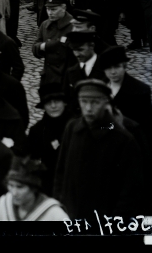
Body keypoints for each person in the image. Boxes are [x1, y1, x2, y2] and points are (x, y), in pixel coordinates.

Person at [53, 79, 144, 220]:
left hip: (102, 221)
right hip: (70, 216)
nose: (88, 108)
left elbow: (130, 190)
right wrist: (59, 205)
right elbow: (61, 171)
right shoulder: (72, 128)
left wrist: (115, 223)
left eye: (95, 102)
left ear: (105, 102)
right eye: (84, 101)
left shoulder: (121, 138)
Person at [24, 83, 72, 197]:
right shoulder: (37, 131)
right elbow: (32, 161)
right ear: (44, 106)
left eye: (57, 101)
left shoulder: (76, 125)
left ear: (65, 102)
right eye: (48, 103)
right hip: (50, 185)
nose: (53, 106)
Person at [0, 156, 68, 221]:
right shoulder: (4, 203)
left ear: (34, 188)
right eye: (11, 185)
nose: (14, 193)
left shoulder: (53, 213)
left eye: (20, 187)